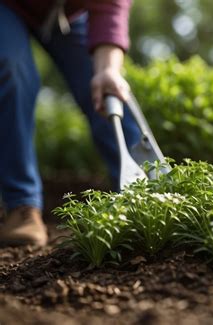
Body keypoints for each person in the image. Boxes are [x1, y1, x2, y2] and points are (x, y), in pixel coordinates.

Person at [0, 0, 141, 246]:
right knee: (12, 69)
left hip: (67, 12)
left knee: (107, 87)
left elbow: (111, 6)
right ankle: (22, 208)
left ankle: (144, 194)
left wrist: (107, 68)